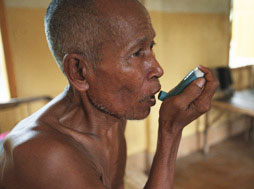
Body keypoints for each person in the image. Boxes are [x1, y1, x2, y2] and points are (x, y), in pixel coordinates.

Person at [0, 0, 219, 188]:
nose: (158, 69)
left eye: (151, 46)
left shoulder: (113, 118)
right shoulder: (47, 156)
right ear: (79, 71)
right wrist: (171, 130)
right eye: (136, 53)